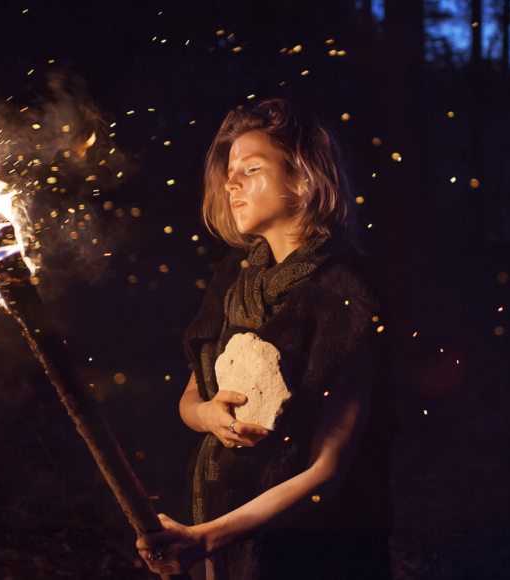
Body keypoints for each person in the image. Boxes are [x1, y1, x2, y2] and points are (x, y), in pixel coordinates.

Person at [136, 98, 397, 579]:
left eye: (251, 168)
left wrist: (207, 537)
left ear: (303, 180)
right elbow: (190, 399)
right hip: (224, 526)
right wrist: (207, 415)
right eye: (230, 170)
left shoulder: (344, 291)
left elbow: (327, 472)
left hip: (317, 549)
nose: (231, 182)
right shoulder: (234, 280)